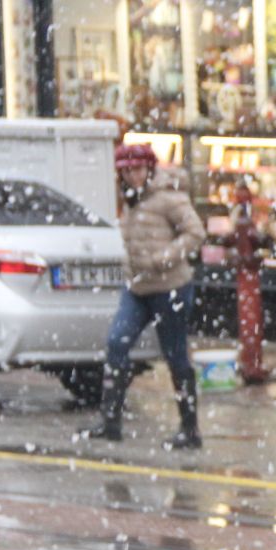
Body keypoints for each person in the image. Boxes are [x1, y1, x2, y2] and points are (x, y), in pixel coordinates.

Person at [85, 142, 206, 448]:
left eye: (137, 169)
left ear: (149, 169)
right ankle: (110, 421)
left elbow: (196, 233)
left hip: (170, 288)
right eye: (126, 171)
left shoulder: (168, 197)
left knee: (175, 356)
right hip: (138, 288)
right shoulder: (129, 199)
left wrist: (163, 258)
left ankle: (190, 430)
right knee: (116, 343)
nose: (132, 176)